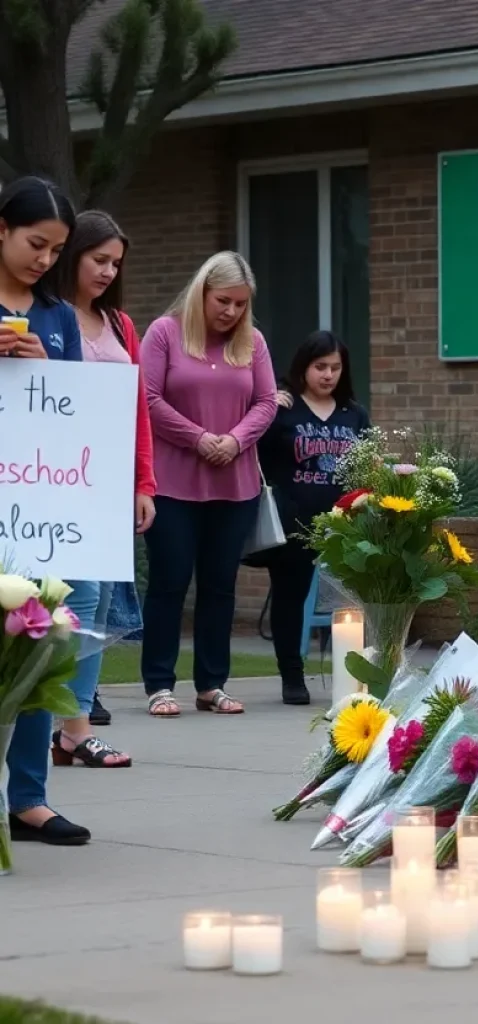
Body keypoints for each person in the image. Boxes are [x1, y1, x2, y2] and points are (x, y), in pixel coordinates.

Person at [140, 252, 276, 717]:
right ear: (202, 292)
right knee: (170, 581)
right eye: (224, 301)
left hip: (235, 486)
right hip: (172, 485)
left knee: (220, 586)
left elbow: (265, 403)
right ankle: (159, 683)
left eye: (240, 304)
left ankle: (211, 684)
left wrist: (234, 441)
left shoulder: (252, 342)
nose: (232, 312)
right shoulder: (164, 333)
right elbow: (148, 399)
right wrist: (199, 439)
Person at [46, 211, 157, 766]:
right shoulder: (50, 317)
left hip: (112, 481)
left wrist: (143, 481)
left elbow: (136, 409)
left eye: (116, 263)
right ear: (73, 256)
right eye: (98, 259)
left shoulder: (120, 324)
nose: (109, 271)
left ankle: (72, 725)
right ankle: (71, 723)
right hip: (58, 478)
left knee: (104, 601)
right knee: (79, 597)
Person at [0, 176, 92, 844]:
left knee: (38, 643)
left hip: (39, 509)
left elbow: (80, 409)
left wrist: (44, 369)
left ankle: (28, 797)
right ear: (1, 230)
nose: (44, 259)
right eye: (36, 243)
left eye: (56, 250)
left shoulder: (58, 317)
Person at [256, 331, 370, 705]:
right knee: (290, 597)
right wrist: (265, 406)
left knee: (350, 603)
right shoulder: (283, 408)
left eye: (335, 368)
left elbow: (366, 465)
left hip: (344, 525)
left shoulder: (353, 413)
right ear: (303, 367)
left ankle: (354, 675)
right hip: (293, 522)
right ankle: (292, 676)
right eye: (320, 366)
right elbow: (256, 454)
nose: (328, 375)